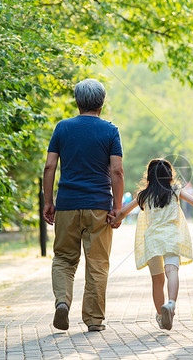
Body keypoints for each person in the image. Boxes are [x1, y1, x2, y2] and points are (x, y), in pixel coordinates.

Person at [43, 78, 124, 332]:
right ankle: (94, 320)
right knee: (97, 263)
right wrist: (117, 207)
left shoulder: (62, 128)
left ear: (78, 102)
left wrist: (48, 201)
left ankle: (62, 303)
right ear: (101, 103)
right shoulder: (110, 131)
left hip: (67, 204)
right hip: (99, 206)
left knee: (64, 259)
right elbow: (117, 171)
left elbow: (49, 167)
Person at [108, 159, 193, 330]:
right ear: (169, 175)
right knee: (172, 271)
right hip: (171, 237)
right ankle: (171, 304)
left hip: (152, 240)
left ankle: (161, 316)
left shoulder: (143, 195)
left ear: (149, 176)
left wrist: (113, 220)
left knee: (157, 280)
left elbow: (123, 211)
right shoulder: (175, 191)